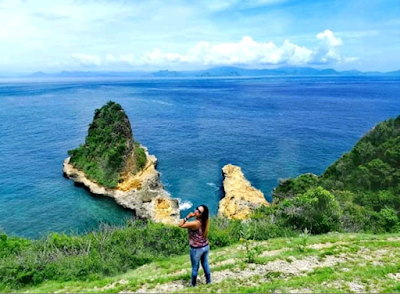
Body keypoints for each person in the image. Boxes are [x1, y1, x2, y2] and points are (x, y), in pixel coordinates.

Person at [178, 204, 211, 287]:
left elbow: (180, 225)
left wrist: (187, 217)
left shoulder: (195, 223)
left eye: (199, 211)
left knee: (195, 268)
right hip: (205, 246)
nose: (196, 211)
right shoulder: (205, 221)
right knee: (205, 264)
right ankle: (209, 281)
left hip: (196, 249)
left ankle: (193, 285)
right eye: (197, 209)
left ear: (201, 215)